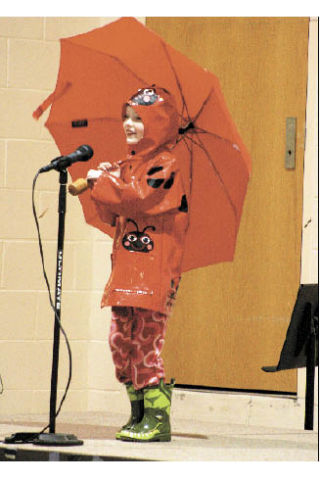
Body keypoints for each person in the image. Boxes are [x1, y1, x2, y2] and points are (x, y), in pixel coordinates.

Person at [87, 86, 189, 442]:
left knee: (146, 343)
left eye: (139, 118)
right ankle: (137, 412)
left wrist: (105, 182)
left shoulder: (167, 165)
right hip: (126, 269)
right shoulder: (127, 165)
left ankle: (157, 418)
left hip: (155, 272)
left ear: (158, 124)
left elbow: (140, 198)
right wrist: (100, 181)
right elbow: (111, 210)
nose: (129, 125)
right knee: (120, 342)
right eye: (126, 117)